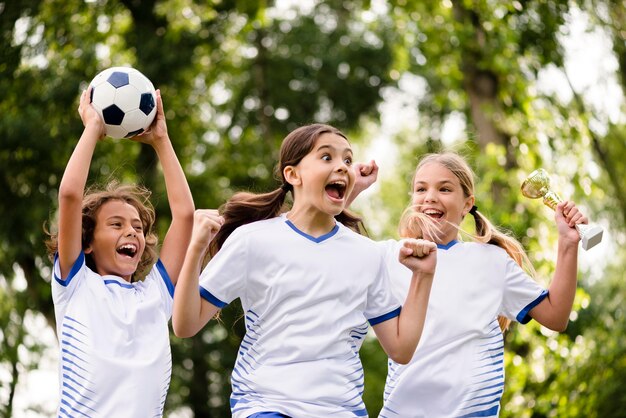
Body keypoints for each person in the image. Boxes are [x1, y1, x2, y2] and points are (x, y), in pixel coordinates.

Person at [172, 123, 436, 418]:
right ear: (292, 174)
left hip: (341, 411)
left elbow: (401, 350)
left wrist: (423, 276)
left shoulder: (367, 255)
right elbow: (185, 326)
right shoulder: (253, 240)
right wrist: (195, 249)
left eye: (347, 160)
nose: (342, 167)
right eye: (327, 157)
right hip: (266, 406)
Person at [349, 152, 587, 418]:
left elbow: (556, 316)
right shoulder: (389, 257)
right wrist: (352, 188)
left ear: (467, 204)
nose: (430, 196)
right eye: (421, 189)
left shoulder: (492, 261)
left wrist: (567, 244)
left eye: (445, 188)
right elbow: (325, 246)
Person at [45, 87, 194, 417]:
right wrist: (92, 130)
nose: (132, 232)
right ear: (87, 242)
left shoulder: (156, 294)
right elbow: (70, 195)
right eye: (116, 224)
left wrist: (161, 140)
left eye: (138, 227)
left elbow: (185, 215)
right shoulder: (76, 285)